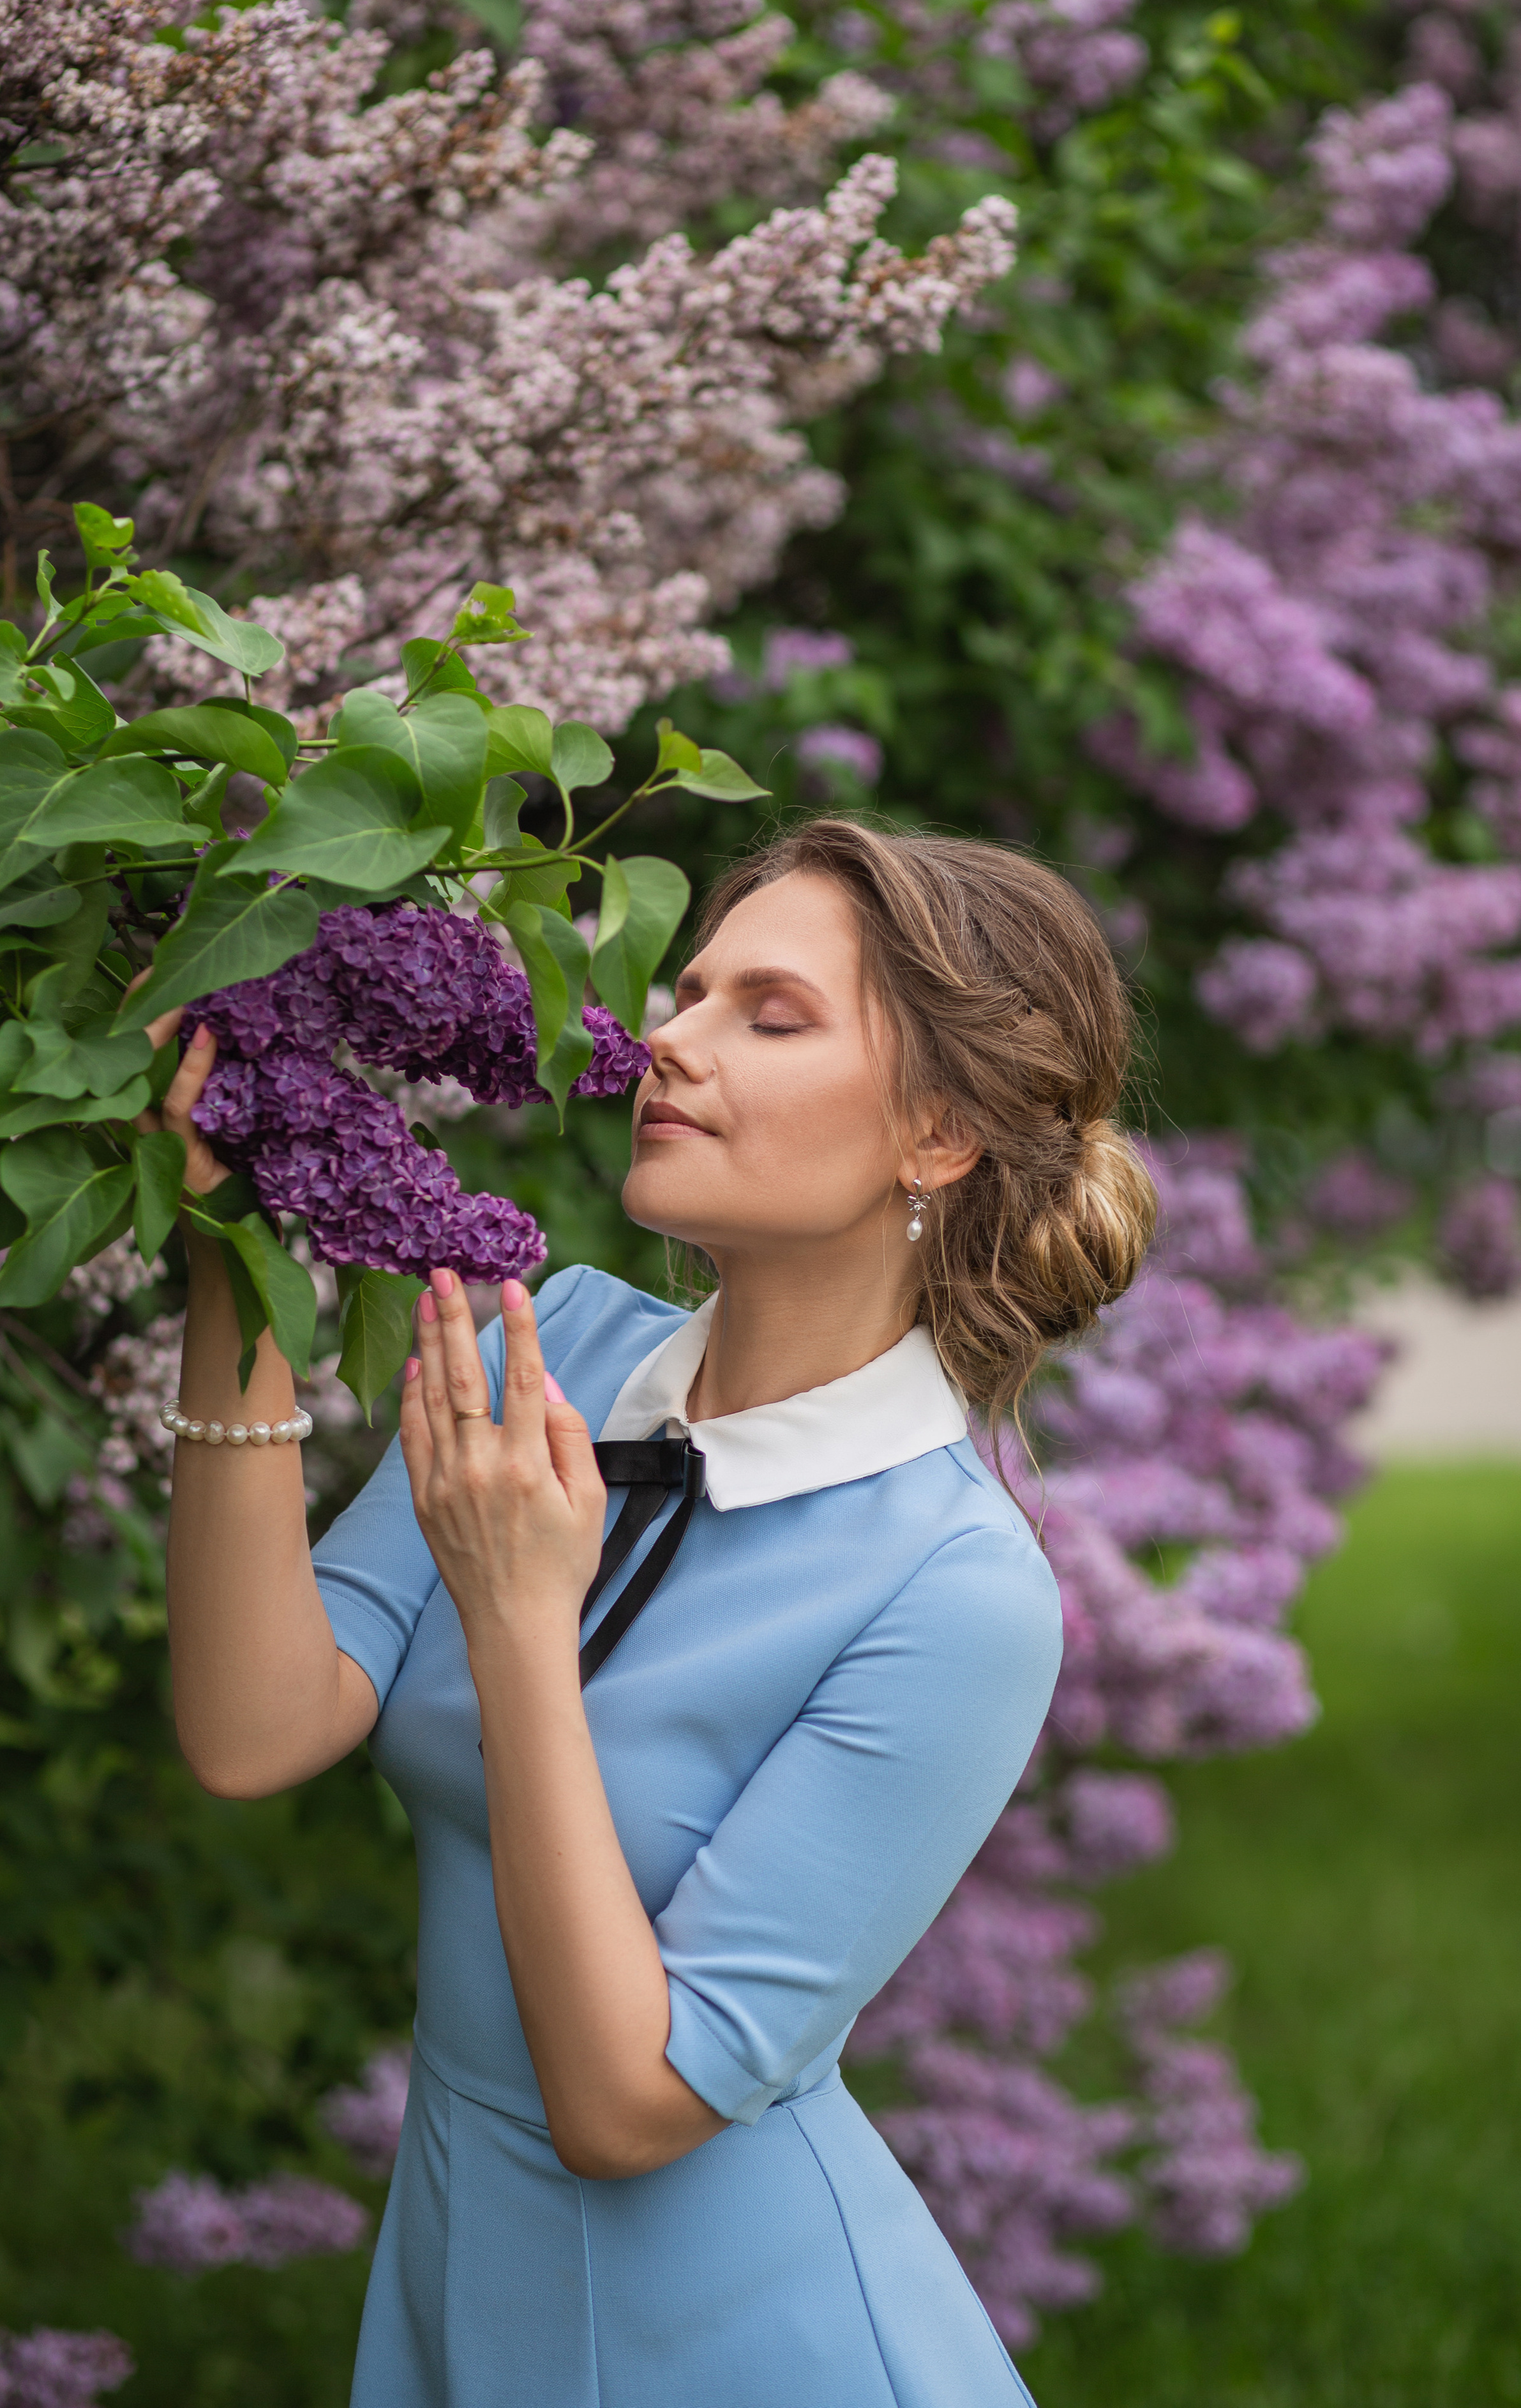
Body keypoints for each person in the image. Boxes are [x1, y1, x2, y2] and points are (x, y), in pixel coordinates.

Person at [151, 816, 1157, 2408]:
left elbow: (625, 2108)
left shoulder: (957, 1591)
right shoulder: (547, 1340)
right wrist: (228, 1250)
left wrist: (516, 1621)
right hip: (455, 2283)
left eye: (769, 1016)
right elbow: (254, 1724)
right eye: (687, 993)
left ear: (938, 1136)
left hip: (745, 2343)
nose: (666, 1042)